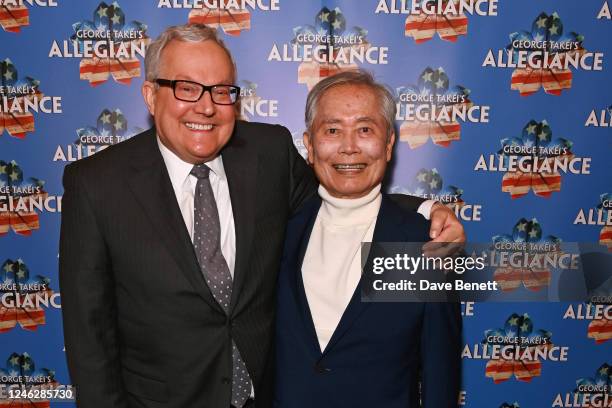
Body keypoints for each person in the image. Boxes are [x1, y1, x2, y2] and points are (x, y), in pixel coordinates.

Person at [59, 24, 464, 408]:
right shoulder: (96, 185)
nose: (206, 106)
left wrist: (427, 209)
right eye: (186, 88)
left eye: (220, 91)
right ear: (150, 95)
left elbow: (344, 188)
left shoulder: (269, 154)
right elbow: (89, 341)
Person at [274, 70, 462, 407]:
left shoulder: (423, 246)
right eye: (332, 130)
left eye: (365, 130)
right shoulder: (276, 231)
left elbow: (440, 373)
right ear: (310, 145)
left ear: (388, 144)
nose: (349, 147)